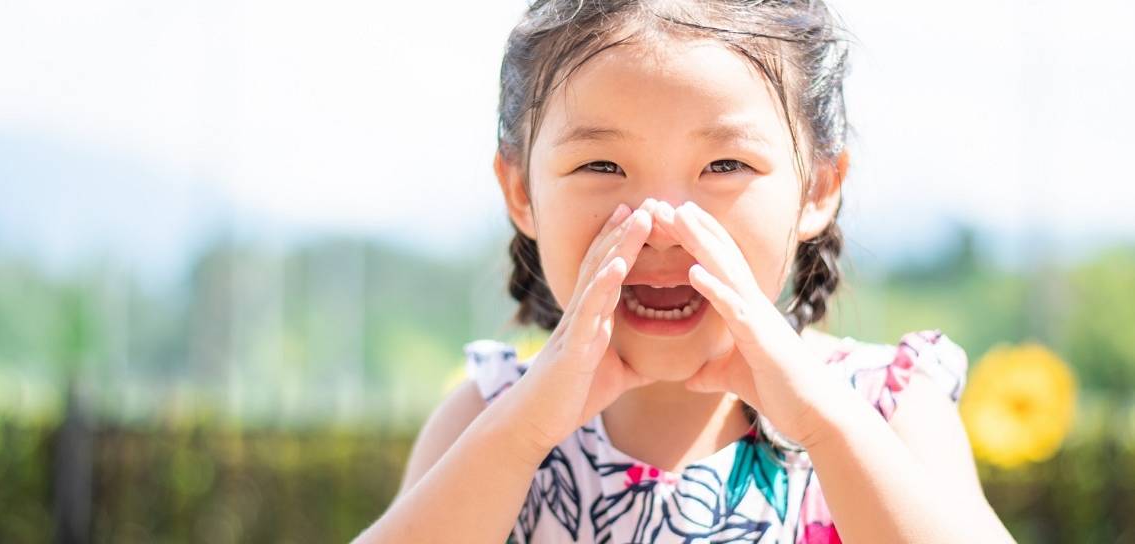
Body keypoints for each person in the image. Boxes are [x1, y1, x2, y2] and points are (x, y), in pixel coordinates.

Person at [356, 1, 1015, 542]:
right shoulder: (489, 416)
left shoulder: (885, 410)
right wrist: (522, 433)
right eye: (601, 167)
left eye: (725, 166)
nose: (662, 224)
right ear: (521, 191)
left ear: (817, 187)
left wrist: (820, 422)